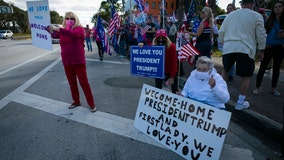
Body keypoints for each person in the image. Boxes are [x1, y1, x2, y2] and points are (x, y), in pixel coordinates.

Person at [218, 0, 266, 110]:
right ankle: (240, 102)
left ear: (241, 4)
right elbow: (261, 34)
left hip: (229, 47)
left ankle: (220, 98)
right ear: (253, 4)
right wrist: (261, 50)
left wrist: (225, 44)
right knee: (246, 76)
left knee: (225, 71)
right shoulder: (256, 16)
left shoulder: (231, 15)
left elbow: (221, 32)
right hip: (245, 48)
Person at [48, 11, 96, 112]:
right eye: (67, 18)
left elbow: (72, 34)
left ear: (76, 19)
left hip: (78, 62)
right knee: (72, 83)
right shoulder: (63, 31)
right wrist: (37, 27)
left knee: (84, 83)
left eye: (72, 18)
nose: (69, 20)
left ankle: (91, 104)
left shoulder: (79, 29)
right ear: (65, 20)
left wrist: (59, 29)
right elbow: (53, 34)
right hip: (67, 62)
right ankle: (76, 101)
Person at [253, 0, 284, 97]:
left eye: (279, 6)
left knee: (276, 68)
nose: (277, 8)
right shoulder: (269, 20)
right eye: (275, 7)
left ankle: (273, 88)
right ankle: (257, 87)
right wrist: (262, 46)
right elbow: (263, 33)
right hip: (268, 47)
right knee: (262, 67)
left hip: (280, 47)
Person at [139, 29, 178, 93]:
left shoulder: (172, 47)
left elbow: (174, 63)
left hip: (170, 71)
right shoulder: (154, 46)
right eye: (159, 37)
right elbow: (146, 49)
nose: (161, 39)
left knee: (174, 89)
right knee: (157, 88)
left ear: (166, 38)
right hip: (159, 71)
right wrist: (141, 45)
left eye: (163, 37)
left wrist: (172, 77)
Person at [226, 3, 236, 81]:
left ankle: (231, 75)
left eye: (230, 8)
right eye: (228, 8)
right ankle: (226, 72)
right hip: (226, 41)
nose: (229, 10)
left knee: (232, 59)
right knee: (226, 59)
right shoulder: (226, 17)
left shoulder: (236, 18)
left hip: (234, 41)